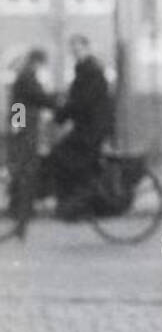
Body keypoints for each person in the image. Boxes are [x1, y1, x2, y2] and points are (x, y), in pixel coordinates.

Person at [49, 34, 114, 219]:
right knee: (71, 157)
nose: (76, 53)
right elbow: (76, 99)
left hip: (91, 128)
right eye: (74, 50)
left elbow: (81, 101)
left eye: (78, 49)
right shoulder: (85, 69)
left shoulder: (90, 70)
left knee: (61, 155)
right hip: (90, 126)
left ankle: (80, 199)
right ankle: (77, 199)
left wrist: (59, 113)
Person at [7, 48, 57, 238]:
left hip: (26, 128)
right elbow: (28, 101)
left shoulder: (25, 75)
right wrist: (18, 127)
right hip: (26, 131)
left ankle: (22, 213)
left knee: (24, 169)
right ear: (37, 61)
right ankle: (20, 209)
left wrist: (16, 125)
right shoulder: (27, 76)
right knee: (25, 169)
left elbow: (17, 104)